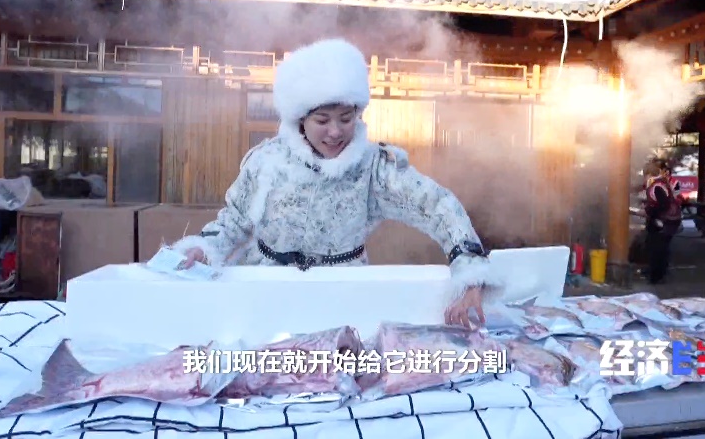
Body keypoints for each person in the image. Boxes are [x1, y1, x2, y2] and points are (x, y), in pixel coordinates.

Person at [171, 38, 503, 328]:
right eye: (322, 120)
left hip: (344, 294)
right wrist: (206, 248)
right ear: (301, 119)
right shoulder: (267, 161)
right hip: (266, 290)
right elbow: (233, 221)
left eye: (346, 119)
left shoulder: (374, 168)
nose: (335, 132)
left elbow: (437, 206)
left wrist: (470, 272)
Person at [642, 159, 682, 284]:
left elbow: (663, 204)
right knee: (660, 247)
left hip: (663, 221)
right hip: (669, 220)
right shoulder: (662, 183)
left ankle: (656, 276)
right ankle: (658, 273)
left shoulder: (656, 186)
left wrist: (651, 212)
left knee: (657, 248)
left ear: (649, 174)